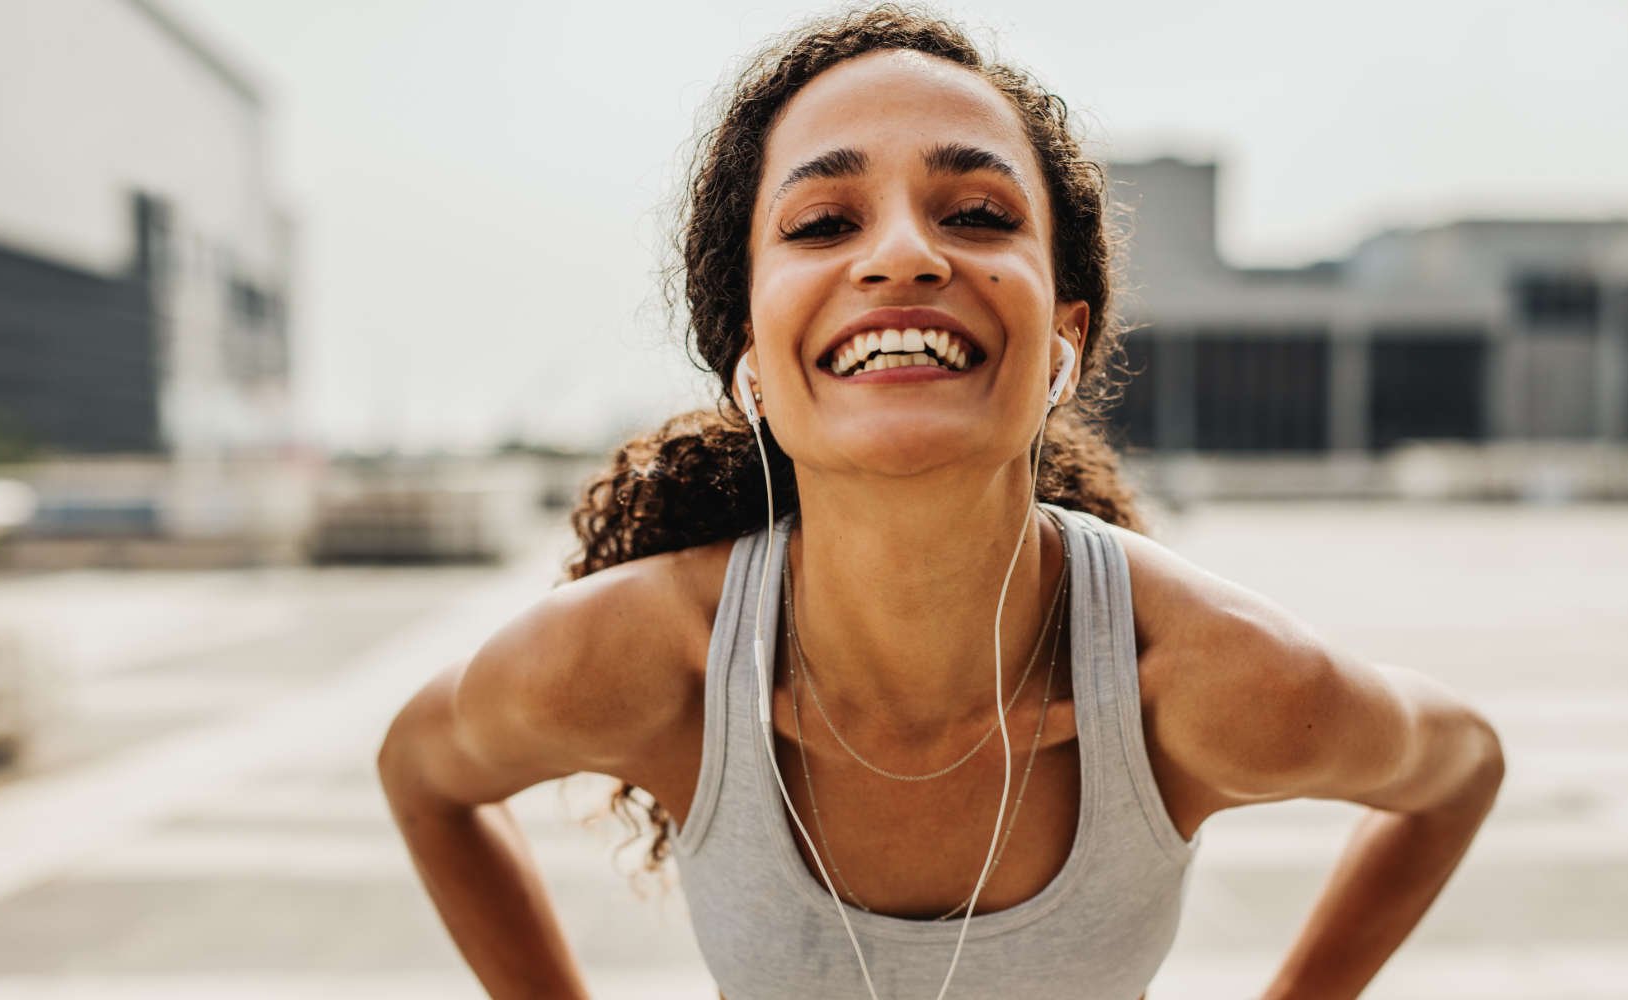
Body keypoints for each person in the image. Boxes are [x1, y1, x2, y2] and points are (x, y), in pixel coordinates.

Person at [375, 5, 1506, 999]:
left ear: (1064, 334)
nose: (905, 253)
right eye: (823, 224)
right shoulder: (644, 659)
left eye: (976, 213)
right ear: (752, 362)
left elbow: (1461, 767)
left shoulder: (1213, 682)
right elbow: (421, 774)